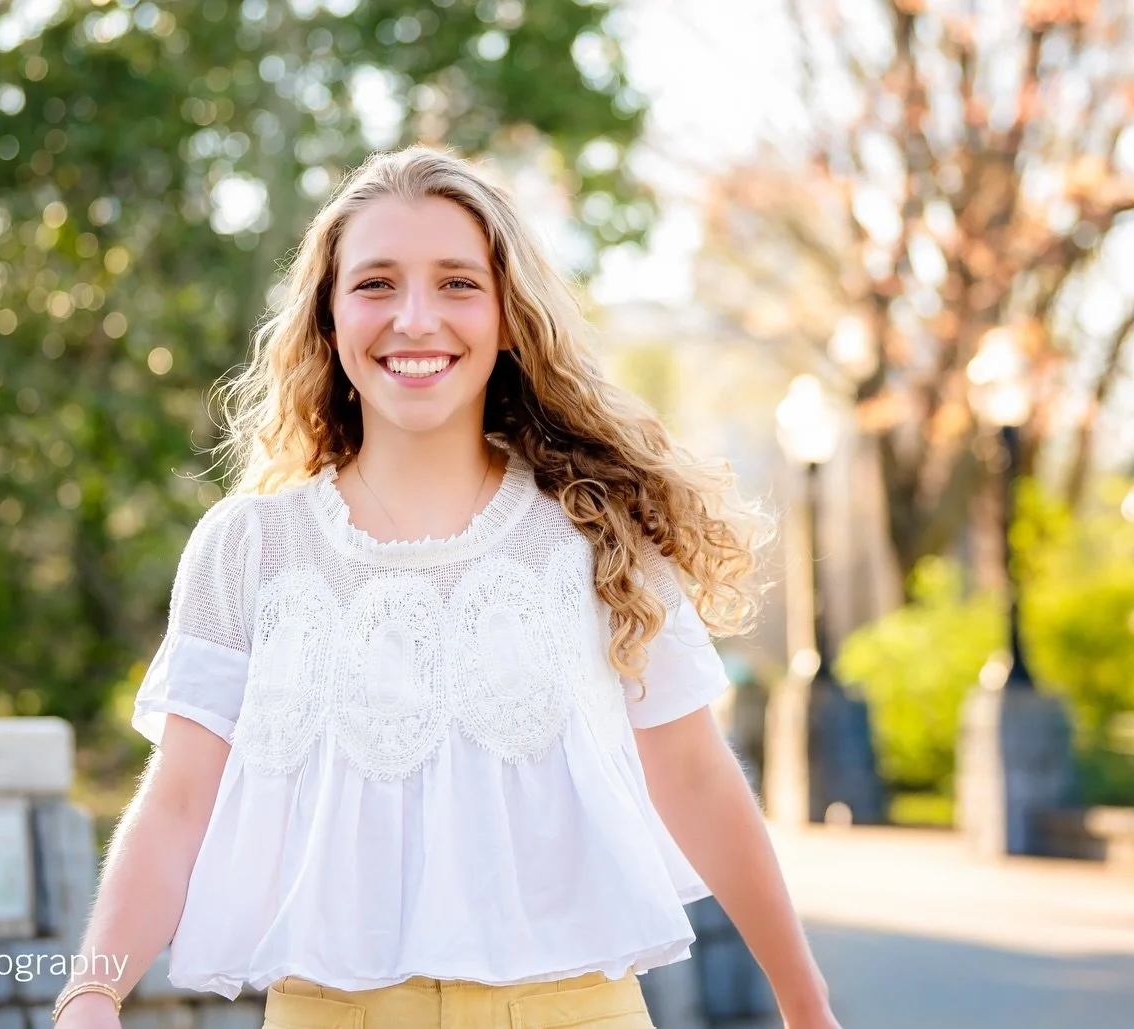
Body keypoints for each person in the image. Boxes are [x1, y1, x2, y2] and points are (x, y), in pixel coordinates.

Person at [51, 145, 841, 1029]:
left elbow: (694, 775)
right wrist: (93, 990)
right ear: (328, 317)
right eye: (376, 283)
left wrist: (807, 1007)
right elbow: (179, 798)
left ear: (509, 317)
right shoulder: (247, 549)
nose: (415, 318)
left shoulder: (599, 533)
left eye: (458, 283)